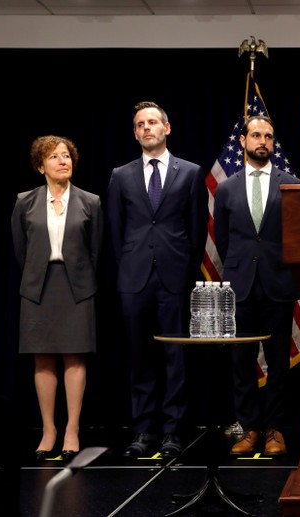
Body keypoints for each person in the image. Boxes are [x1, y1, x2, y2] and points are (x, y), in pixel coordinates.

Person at [107, 101, 209, 458]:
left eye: (153, 122)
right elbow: (117, 232)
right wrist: (130, 266)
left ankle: (172, 432)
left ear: (168, 128)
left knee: (175, 357)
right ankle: (142, 431)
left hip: (175, 276)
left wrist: (184, 267)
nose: (147, 127)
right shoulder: (121, 175)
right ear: (135, 133)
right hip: (133, 278)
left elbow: (197, 232)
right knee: (139, 357)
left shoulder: (191, 173)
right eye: (140, 124)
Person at [11, 135, 103, 461]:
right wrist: (40, 272)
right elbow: (21, 250)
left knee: (75, 357)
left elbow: (95, 250)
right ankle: (49, 429)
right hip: (38, 286)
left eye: (66, 156)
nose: (63, 161)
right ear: (41, 166)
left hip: (77, 285)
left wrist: (76, 274)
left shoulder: (90, 202)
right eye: (54, 157)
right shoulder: (24, 202)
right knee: (43, 358)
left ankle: (72, 429)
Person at [213, 115, 300, 456]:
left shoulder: (291, 183)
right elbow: (222, 239)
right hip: (240, 284)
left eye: (268, 136)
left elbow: (297, 234)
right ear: (243, 142)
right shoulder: (226, 188)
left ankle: (274, 430)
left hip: (278, 282)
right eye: (256, 135)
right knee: (241, 361)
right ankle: (249, 429)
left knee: (279, 361)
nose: (263, 141)